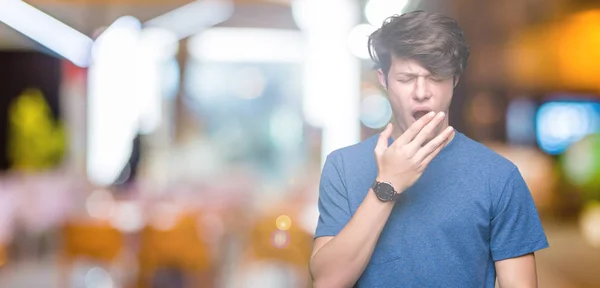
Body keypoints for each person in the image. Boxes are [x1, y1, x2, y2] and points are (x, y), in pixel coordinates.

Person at [309, 11, 548, 288]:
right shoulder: (343, 166)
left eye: (435, 76)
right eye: (406, 78)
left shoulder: (499, 176)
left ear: (455, 79)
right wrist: (387, 184)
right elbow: (327, 281)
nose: (421, 92)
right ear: (384, 80)